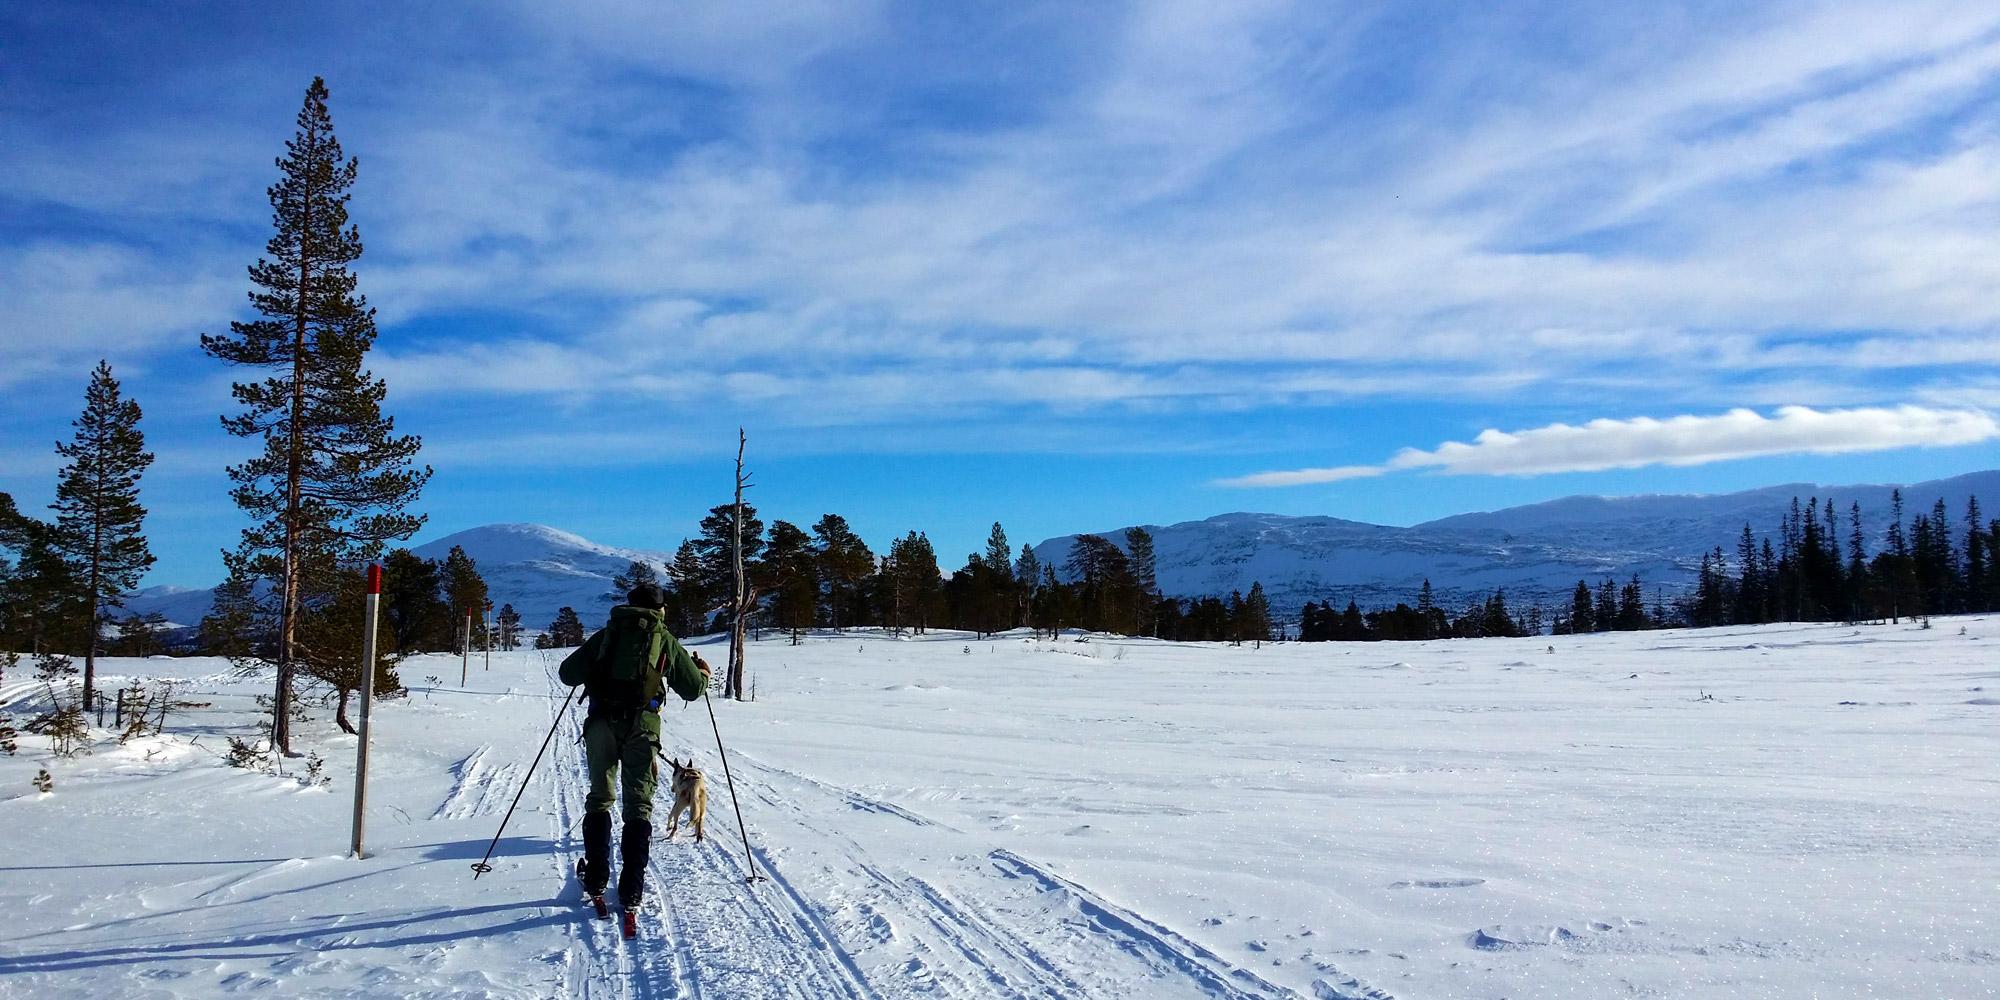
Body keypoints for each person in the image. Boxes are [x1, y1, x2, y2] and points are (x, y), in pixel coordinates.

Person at [558, 582, 710, 914]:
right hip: (643, 727)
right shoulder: (663, 639)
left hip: (601, 724)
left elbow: (567, 674)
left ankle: (596, 877)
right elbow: (693, 689)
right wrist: (703, 673)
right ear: (661, 609)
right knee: (639, 805)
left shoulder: (607, 634)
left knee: (600, 796)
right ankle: (631, 889)